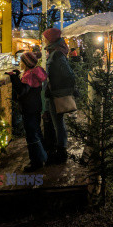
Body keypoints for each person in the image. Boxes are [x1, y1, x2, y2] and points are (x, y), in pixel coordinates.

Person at [7, 52, 48, 172]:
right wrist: (19, 75)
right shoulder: (35, 71)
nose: (19, 63)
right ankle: (43, 156)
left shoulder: (29, 75)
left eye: (21, 61)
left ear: (26, 63)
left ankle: (37, 161)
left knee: (31, 134)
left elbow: (22, 91)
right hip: (35, 106)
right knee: (36, 131)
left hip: (28, 108)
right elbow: (29, 88)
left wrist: (13, 77)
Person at [43, 28, 77, 164]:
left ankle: (61, 151)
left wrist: (60, 89)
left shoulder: (57, 54)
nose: (44, 39)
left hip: (56, 94)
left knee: (58, 123)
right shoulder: (54, 51)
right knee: (57, 122)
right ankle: (59, 148)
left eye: (45, 37)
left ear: (50, 38)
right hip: (53, 93)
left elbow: (69, 74)